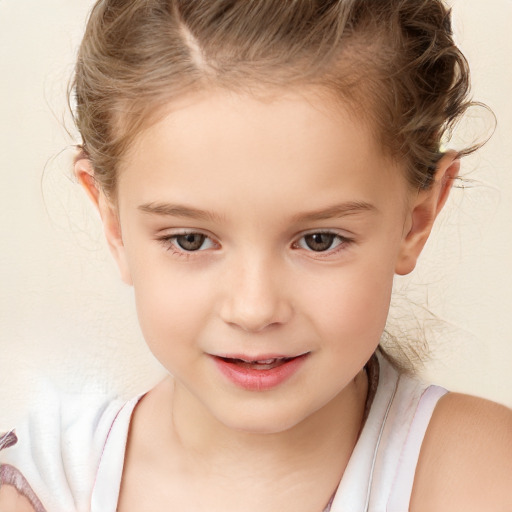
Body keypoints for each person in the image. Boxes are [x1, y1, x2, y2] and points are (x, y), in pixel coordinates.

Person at [1, 0, 511, 510]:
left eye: (319, 240)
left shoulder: (486, 478)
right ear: (113, 221)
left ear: (416, 221)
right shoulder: (41, 488)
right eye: (190, 240)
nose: (254, 308)